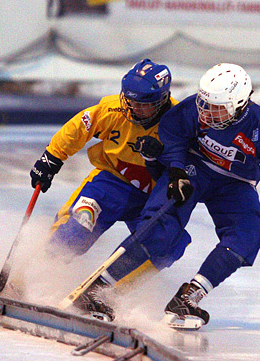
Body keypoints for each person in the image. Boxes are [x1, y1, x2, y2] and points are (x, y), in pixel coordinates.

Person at [77, 63, 260, 329]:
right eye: (203, 104)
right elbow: (172, 130)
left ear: (239, 107)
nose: (205, 113)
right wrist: (175, 169)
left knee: (249, 234)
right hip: (192, 170)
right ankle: (98, 288)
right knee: (161, 227)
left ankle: (189, 297)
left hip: (233, 183)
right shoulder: (194, 110)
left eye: (216, 109)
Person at [29, 59, 187, 320]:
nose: (134, 108)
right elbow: (79, 126)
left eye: (144, 104)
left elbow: (190, 162)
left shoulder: (178, 123)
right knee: (78, 226)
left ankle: (105, 292)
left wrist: (165, 159)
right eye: (130, 100)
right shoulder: (112, 109)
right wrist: (52, 158)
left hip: (152, 198)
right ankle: (32, 270)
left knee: (169, 244)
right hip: (109, 183)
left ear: (162, 100)